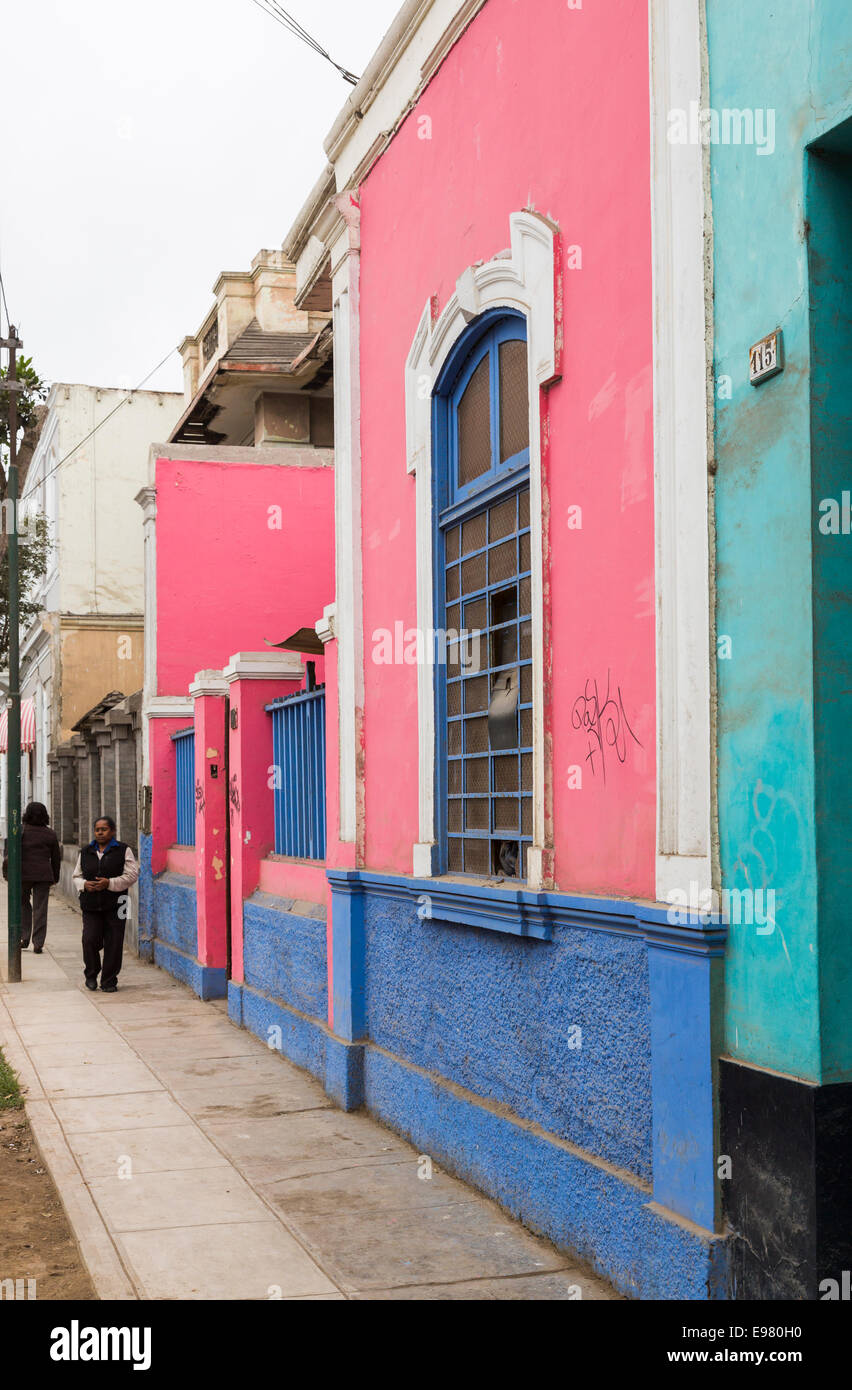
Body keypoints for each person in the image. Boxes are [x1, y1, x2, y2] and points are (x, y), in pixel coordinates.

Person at [72, 816, 139, 993]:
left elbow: (132, 875)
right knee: (89, 940)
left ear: (113, 831)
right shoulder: (85, 851)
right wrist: (84, 885)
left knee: (114, 943)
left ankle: (109, 980)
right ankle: (91, 975)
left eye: (104, 829)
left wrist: (109, 883)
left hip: (120, 904)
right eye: (97, 829)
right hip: (90, 904)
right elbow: (76, 876)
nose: (100, 832)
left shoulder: (124, 850)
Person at [2, 801, 61, 953]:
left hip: (23, 875)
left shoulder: (19, 830)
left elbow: (8, 852)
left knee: (23, 904)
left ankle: (24, 937)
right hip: (43, 875)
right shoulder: (51, 834)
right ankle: (38, 942)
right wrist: (55, 877)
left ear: (26, 814)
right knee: (40, 908)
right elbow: (56, 858)